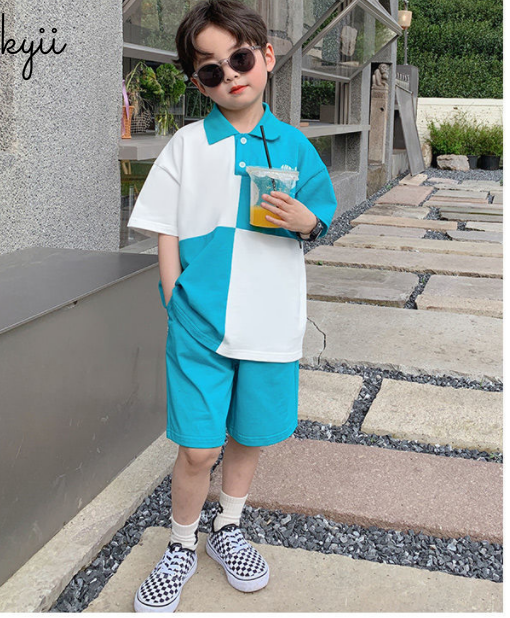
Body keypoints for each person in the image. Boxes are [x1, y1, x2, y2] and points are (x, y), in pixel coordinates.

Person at [127, 0, 337, 612]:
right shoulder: (188, 145)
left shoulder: (294, 146)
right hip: (199, 322)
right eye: (212, 70)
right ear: (199, 83)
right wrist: (174, 297)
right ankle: (181, 543)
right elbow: (165, 226)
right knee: (198, 447)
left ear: (266, 57)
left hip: (271, 322)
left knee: (249, 434)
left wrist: (305, 221)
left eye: (240, 59)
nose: (231, 76)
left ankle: (229, 526)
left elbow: (318, 222)